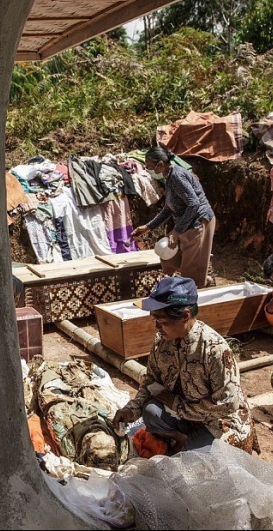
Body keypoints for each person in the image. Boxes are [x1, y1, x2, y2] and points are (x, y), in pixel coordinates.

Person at [111, 277, 256, 455]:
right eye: (154, 320)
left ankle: (190, 443)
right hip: (183, 415)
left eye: (162, 322)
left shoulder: (214, 350)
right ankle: (182, 438)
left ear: (185, 316)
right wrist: (131, 410)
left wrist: (179, 406)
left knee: (190, 462)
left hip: (218, 421)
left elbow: (226, 405)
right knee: (150, 412)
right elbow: (151, 382)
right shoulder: (161, 342)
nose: (157, 327)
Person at [132, 145, 216, 289]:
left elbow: (194, 204)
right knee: (169, 259)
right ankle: (203, 280)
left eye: (150, 167)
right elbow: (168, 208)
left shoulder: (177, 176)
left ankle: (197, 290)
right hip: (185, 223)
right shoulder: (169, 177)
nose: (149, 171)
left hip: (197, 222)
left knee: (190, 274)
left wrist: (176, 231)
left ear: (160, 165)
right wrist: (148, 227)